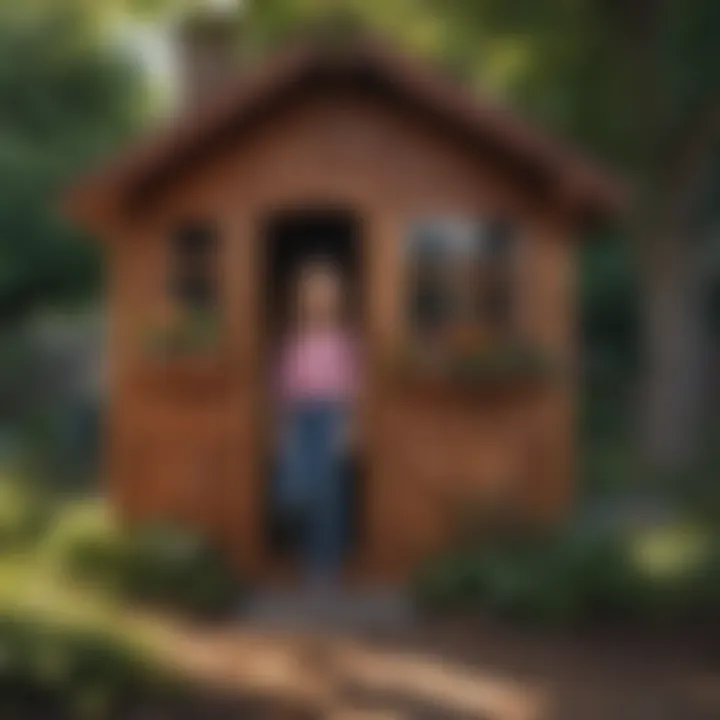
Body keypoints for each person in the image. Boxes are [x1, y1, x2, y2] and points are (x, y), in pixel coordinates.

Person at [274, 258, 360, 587]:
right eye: (312, 295)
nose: (319, 301)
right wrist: (284, 433)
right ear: (302, 300)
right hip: (300, 417)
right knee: (298, 489)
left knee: (332, 493)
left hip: (331, 416)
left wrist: (348, 429)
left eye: (326, 294)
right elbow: (284, 394)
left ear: (337, 299)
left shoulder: (344, 342)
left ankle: (327, 563)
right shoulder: (293, 342)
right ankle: (305, 553)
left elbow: (352, 390)